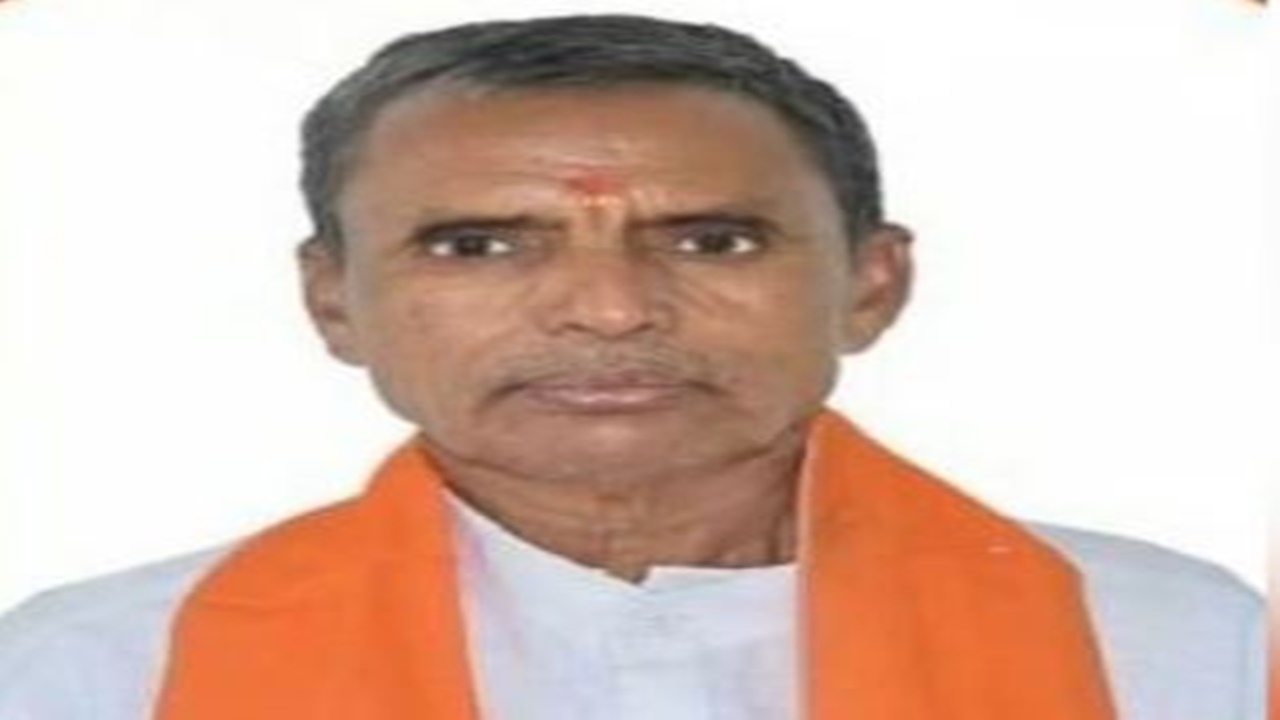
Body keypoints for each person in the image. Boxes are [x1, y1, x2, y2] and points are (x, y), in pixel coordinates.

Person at [0, 13, 1264, 720]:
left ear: (869, 285)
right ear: (334, 300)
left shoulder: (1177, 648)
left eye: (710, 240)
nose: (607, 310)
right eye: (478, 244)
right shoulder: (99, 672)